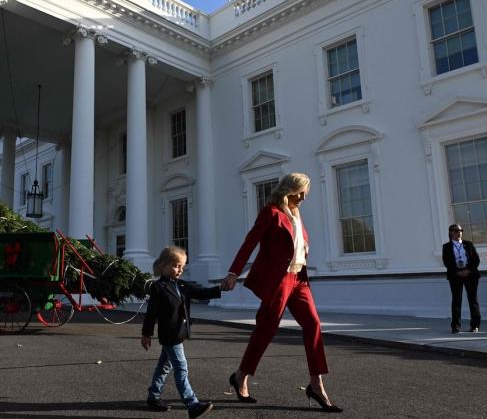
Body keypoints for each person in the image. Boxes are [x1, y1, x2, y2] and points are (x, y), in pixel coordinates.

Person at [220, 172, 342, 413]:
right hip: (280, 280)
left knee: (313, 325)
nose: (304, 197)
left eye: (305, 192)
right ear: (289, 190)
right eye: (301, 191)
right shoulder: (271, 213)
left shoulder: (297, 214)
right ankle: (241, 375)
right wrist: (234, 272)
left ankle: (317, 384)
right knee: (267, 327)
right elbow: (250, 242)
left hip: (299, 280)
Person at [141, 245, 220, 418]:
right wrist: (146, 334)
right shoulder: (158, 287)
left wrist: (220, 289)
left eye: (182, 267)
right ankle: (192, 404)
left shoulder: (182, 285)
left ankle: (153, 396)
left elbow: (201, 293)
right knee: (181, 368)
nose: (180, 270)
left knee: (165, 366)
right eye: (177, 266)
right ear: (164, 265)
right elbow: (151, 313)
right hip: (169, 335)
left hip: (179, 333)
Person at [441, 224, 481, 333]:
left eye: (460, 230)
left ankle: (475, 325)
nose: (459, 232)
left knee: (473, 300)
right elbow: (447, 262)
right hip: (455, 276)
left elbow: (476, 260)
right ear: (451, 233)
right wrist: (458, 272)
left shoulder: (468, 244)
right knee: (456, 300)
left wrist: (468, 270)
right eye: (456, 230)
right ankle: (455, 326)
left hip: (470, 275)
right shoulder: (446, 246)